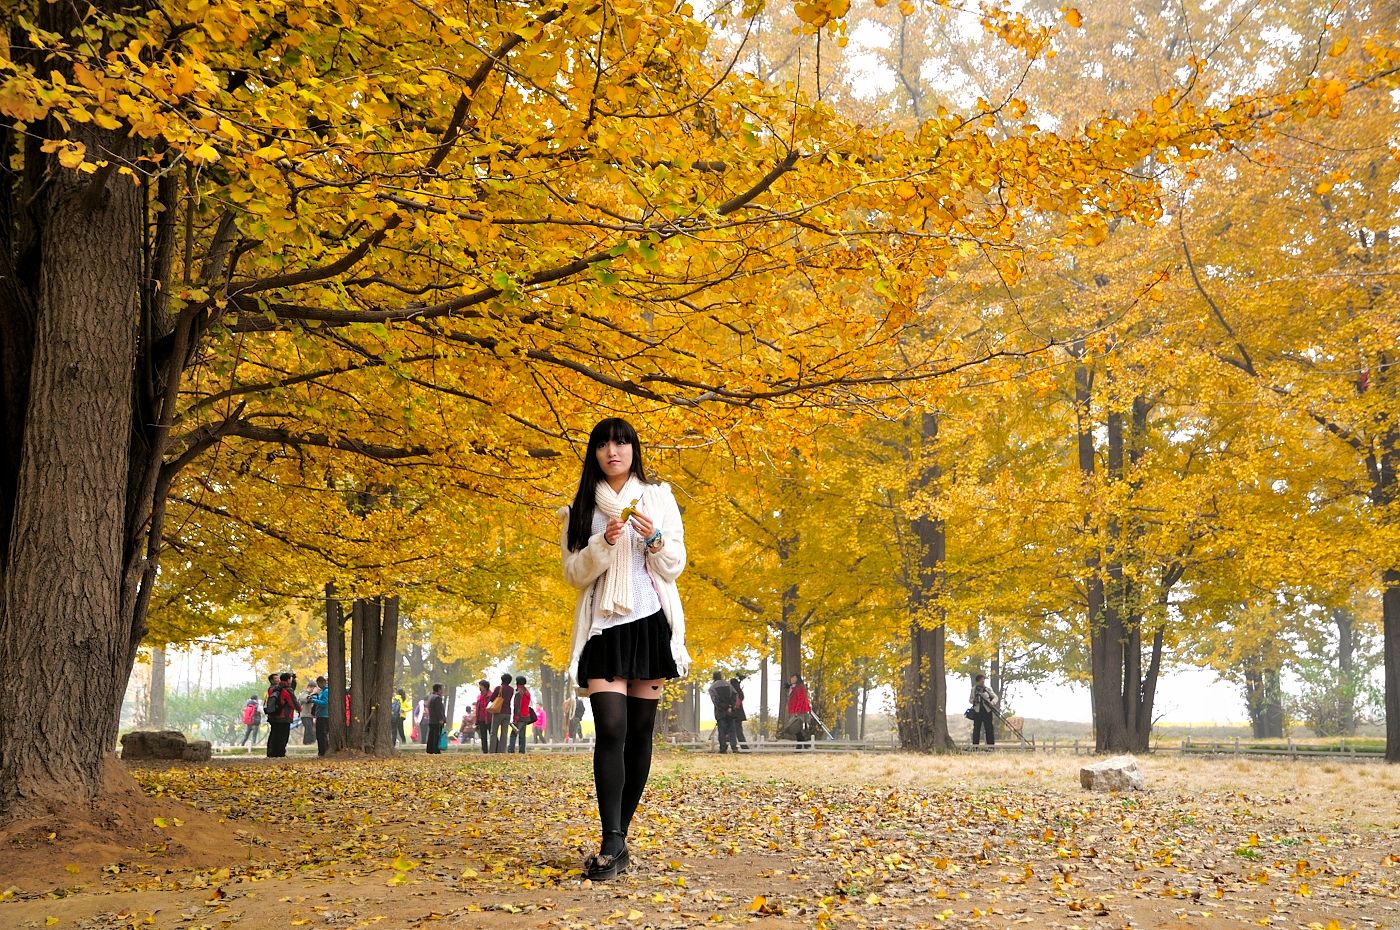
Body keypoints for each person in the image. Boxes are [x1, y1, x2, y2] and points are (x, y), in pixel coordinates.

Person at [561, 417, 690, 881]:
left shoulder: (659, 497)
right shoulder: (580, 507)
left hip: (650, 624)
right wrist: (603, 543)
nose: (613, 451)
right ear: (594, 453)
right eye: (603, 444)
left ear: (634, 449)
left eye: (622, 443)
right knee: (610, 730)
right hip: (604, 629)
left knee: (639, 734)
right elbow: (574, 574)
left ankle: (619, 838)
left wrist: (653, 538)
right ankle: (611, 839)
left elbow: (674, 566)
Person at [265, 672, 301, 758]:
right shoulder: (287, 690)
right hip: (284, 716)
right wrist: (299, 709)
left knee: (274, 734)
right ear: (288, 680)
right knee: (283, 736)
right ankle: (280, 753)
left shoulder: (272, 689)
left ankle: (271, 753)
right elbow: (293, 703)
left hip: (273, 715)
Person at [707, 671, 735, 753]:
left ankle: (723, 748)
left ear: (713, 677)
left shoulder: (712, 688)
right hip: (730, 711)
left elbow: (715, 700)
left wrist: (722, 707)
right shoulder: (728, 685)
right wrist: (731, 706)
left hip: (720, 712)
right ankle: (734, 747)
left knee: (722, 731)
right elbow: (734, 694)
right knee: (732, 730)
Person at [487, 673, 514, 753]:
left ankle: (492, 750)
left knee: (494, 732)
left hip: (498, 712)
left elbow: (492, 699)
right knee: (504, 733)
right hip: (508, 713)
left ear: (502, 680)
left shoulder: (499, 688)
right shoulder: (511, 689)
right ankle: (502, 751)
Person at [970, 673, 998, 747]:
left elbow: (995, 697)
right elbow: (970, 699)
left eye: (983, 680)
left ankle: (990, 746)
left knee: (989, 729)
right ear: (978, 681)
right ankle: (975, 746)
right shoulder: (973, 689)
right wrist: (974, 701)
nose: (983, 682)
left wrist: (992, 703)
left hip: (987, 711)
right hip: (977, 711)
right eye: (982, 680)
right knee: (976, 729)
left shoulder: (987, 689)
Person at [783, 674, 812, 745]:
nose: (792, 679)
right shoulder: (793, 687)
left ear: (798, 679)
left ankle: (801, 744)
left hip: (800, 710)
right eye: (791, 678)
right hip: (794, 710)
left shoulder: (800, 687)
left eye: (794, 678)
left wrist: (797, 710)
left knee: (796, 727)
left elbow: (801, 699)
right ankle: (803, 744)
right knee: (796, 728)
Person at [509, 675, 533, 754]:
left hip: (519, 717)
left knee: (513, 734)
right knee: (522, 735)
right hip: (526, 716)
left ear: (517, 683)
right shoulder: (527, 692)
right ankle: (522, 750)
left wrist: (515, 719)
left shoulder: (519, 693)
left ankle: (511, 750)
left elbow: (517, 707)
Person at [310, 675, 331, 756]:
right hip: (321, 715)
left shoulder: (326, 691)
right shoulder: (323, 691)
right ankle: (323, 750)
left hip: (323, 716)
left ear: (322, 682)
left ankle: (323, 751)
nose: (318, 686)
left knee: (321, 735)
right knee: (321, 735)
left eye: (318, 684)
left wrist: (314, 700)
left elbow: (325, 703)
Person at [425, 683, 446, 754]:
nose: (443, 691)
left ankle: (429, 749)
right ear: (439, 689)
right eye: (442, 689)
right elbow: (438, 710)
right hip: (437, 720)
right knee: (436, 736)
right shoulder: (437, 698)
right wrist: (441, 719)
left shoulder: (430, 697)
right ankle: (436, 750)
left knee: (431, 736)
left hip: (431, 720)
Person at [728, 677, 748, 752]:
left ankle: (738, 747)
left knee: (733, 731)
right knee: (739, 732)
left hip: (734, 714)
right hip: (739, 715)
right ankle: (744, 747)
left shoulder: (732, 692)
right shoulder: (739, 692)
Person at [474, 680, 492, 754]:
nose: (479, 687)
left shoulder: (491, 695)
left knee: (492, 734)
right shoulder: (479, 696)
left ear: (485, 687)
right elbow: (477, 708)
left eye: (480, 686)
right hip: (481, 719)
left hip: (489, 718)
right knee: (483, 736)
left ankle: (495, 749)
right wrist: (477, 720)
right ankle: (485, 751)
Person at [300, 680, 318, 745]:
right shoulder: (304, 693)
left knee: (310, 728)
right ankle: (308, 742)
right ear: (310, 687)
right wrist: (312, 695)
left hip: (309, 715)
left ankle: (308, 742)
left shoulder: (310, 694)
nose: (313, 690)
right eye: (313, 688)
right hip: (304, 714)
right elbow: (304, 699)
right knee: (309, 728)